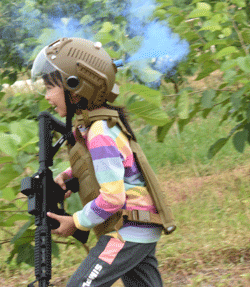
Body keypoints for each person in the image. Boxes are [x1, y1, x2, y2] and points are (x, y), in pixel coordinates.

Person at [31, 37, 175, 287]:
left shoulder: (99, 132)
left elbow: (112, 199)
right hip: (138, 227)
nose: (46, 96)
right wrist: (71, 175)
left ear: (75, 87)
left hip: (126, 232)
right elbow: (111, 166)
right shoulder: (97, 126)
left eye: (49, 88)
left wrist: (75, 222)